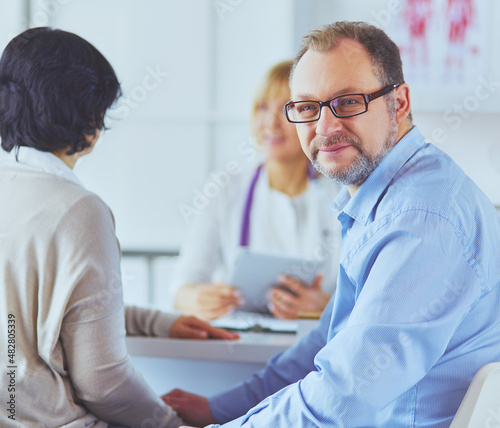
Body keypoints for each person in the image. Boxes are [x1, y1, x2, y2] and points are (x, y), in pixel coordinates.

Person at [163, 21, 500, 428]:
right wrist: (221, 410)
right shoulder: (383, 197)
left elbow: (342, 398)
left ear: (400, 102)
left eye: (348, 102)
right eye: (307, 108)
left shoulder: (420, 220)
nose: (325, 128)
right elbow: (325, 343)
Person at [0, 27, 237, 428]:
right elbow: (103, 382)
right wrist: (170, 424)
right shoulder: (79, 210)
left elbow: (37, 315)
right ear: (90, 119)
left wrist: (158, 323)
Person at [172, 60, 342, 320]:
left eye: (287, 108)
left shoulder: (341, 195)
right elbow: (180, 289)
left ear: (311, 118)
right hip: (240, 348)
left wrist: (325, 306)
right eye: (263, 107)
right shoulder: (226, 189)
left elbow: (365, 301)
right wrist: (199, 299)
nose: (271, 122)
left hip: (317, 347)